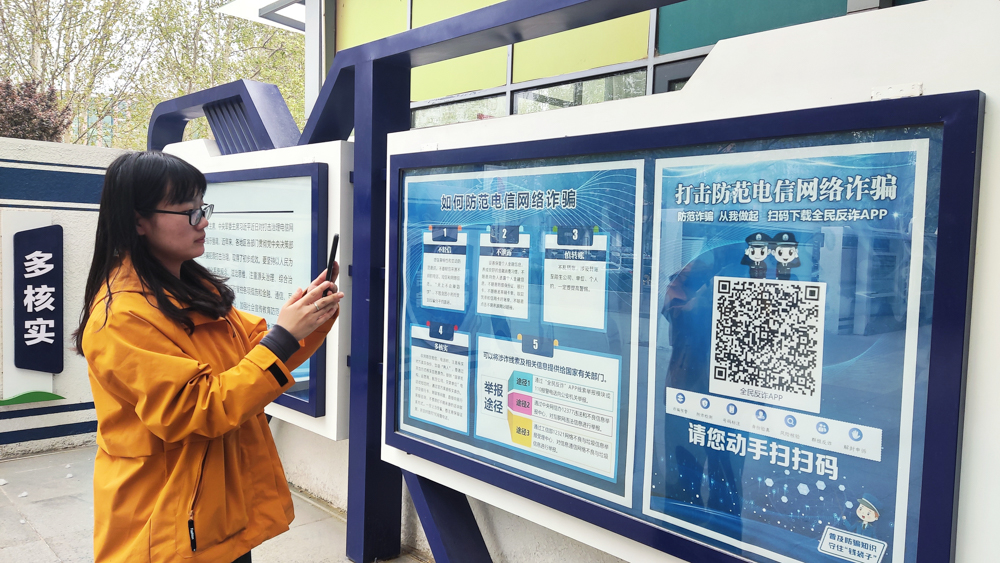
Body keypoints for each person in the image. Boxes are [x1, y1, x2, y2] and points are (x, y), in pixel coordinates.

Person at [74, 151, 344, 563]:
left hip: (214, 514)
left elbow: (255, 358)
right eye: (188, 212)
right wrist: (284, 337)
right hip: (167, 523)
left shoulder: (194, 290)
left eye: (203, 208)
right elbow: (197, 409)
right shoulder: (122, 317)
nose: (202, 222)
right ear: (138, 220)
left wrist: (304, 324)